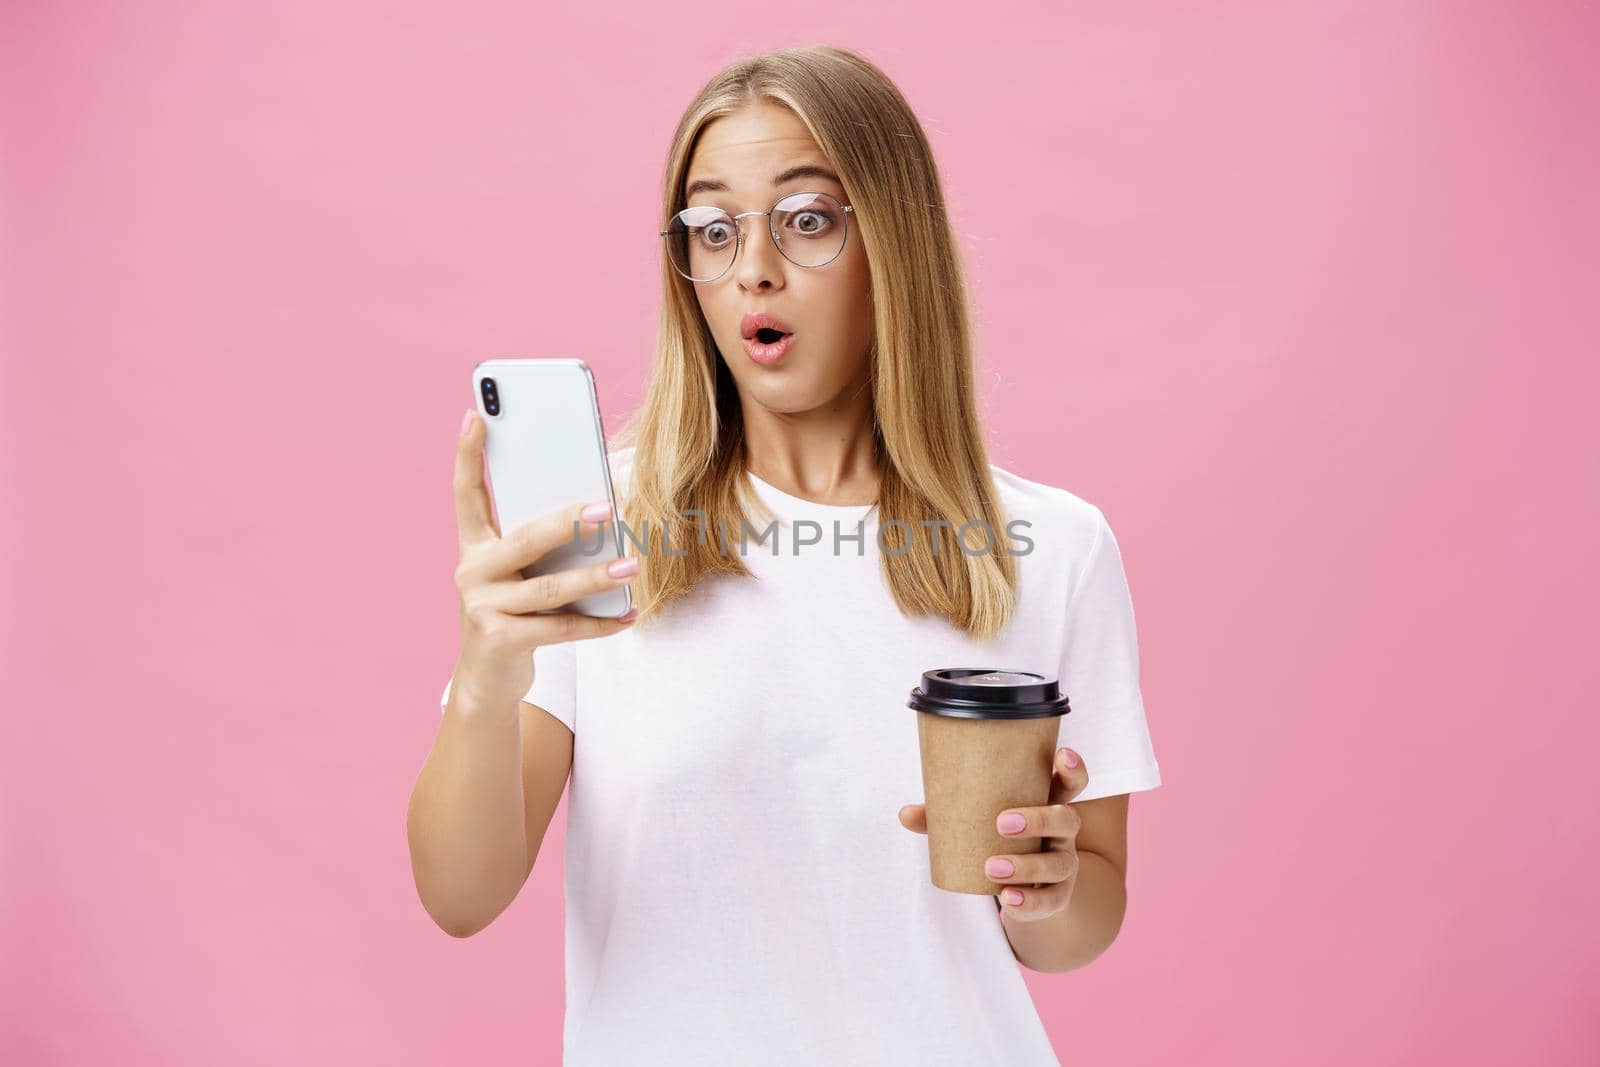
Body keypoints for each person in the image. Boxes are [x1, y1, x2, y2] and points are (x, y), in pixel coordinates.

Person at [410, 43, 1161, 1067]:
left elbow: (1078, 927)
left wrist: (1047, 881)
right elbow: (461, 895)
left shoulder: (1051, 545)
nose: (751, 266)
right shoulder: (606, 529)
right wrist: (480, 683)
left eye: (805, 219)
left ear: (892, 240)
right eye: (713, 229)